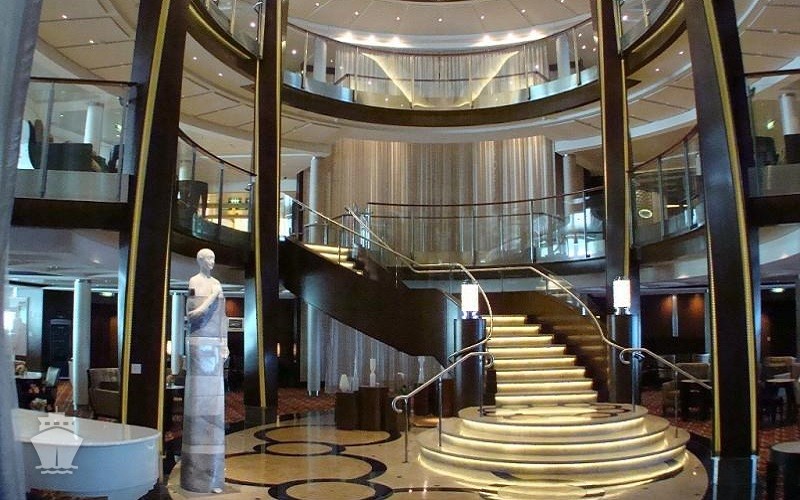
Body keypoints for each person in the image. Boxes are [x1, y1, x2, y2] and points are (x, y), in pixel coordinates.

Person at [181, 248, 228, 494]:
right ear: (200, 260)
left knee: (215, 405)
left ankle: (214, 478)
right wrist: (212, 298)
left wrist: (225, 343)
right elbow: (192, 315)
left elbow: (223, 319)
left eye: (213, 258)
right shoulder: (194, 282)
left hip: (215, 348)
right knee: (198, 405)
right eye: (208, 259)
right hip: (199, 345)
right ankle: (196, 478)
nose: (212, 262)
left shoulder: (218, 283)